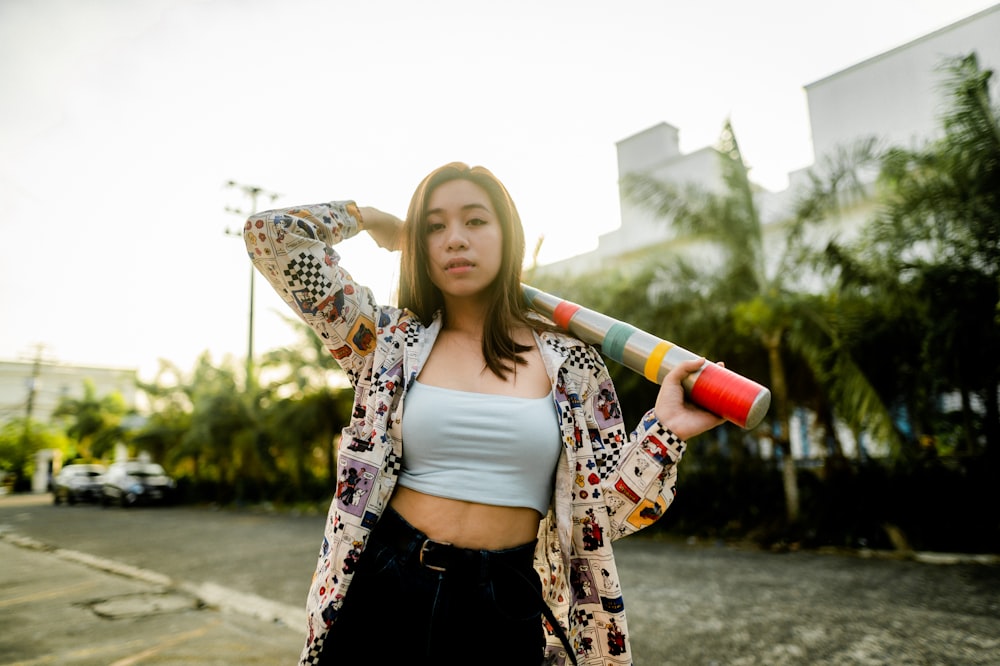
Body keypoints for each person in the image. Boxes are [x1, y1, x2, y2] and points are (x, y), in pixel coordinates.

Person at [244, 162, 724, 665]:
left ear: (506, 235)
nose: (455, 239)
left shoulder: (574, 364)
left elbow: (603, 516)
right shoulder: (385, 343)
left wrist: (665, 431)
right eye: (434, 225)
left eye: (475, 221)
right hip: (385, 582)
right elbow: (271, 238)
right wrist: (371, 220)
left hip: (502, 600)